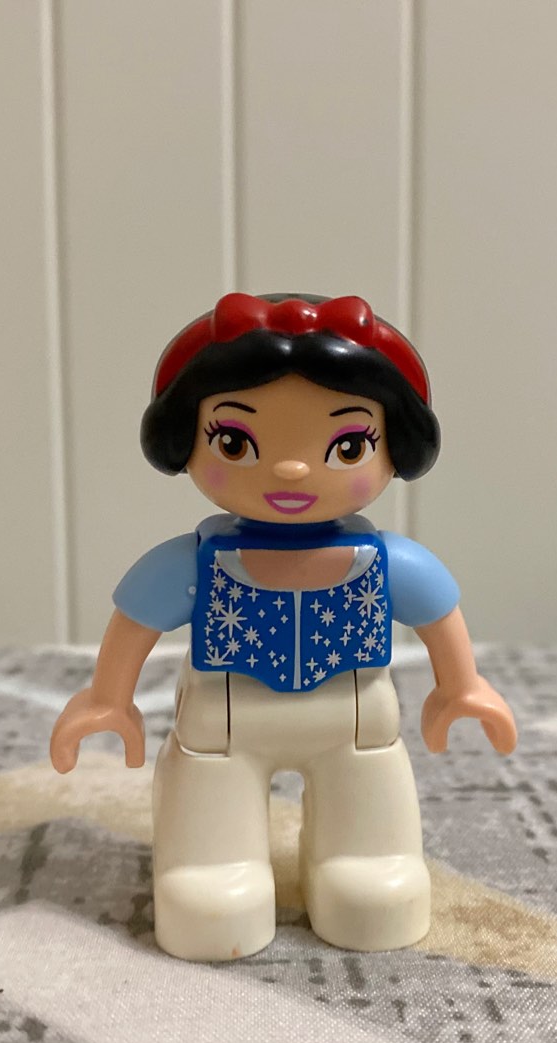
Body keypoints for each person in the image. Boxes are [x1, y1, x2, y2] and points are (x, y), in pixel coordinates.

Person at [50, 292, 517, 961]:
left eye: (348, 445)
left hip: (355, 721)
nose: (293, 468)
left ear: (396, 448)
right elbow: (137, 618)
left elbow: (437, 610)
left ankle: (364, 857)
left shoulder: (383, 562)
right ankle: (211, 865)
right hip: (224, 725)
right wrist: (107, 698)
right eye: (236, 442)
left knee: (371, 862)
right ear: (185, 441)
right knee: (211, 868)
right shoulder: (198, 562)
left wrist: (461, 686)